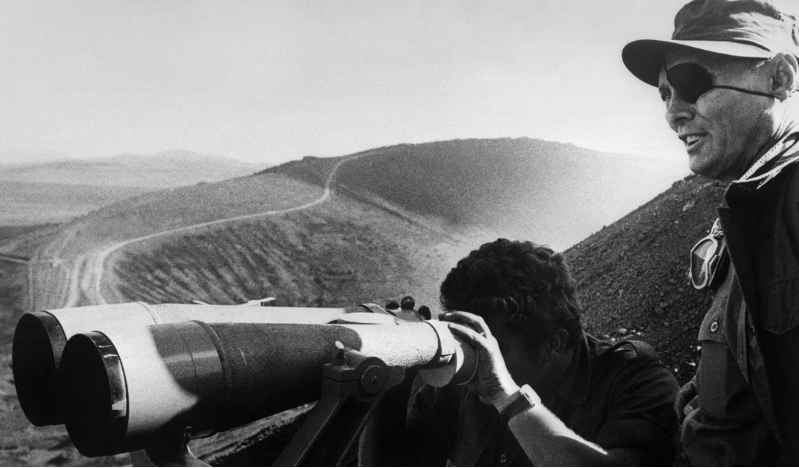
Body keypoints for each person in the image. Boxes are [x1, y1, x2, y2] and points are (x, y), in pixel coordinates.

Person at [621, 0, 799, 464]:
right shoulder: (751, 206)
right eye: (664, 93)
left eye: (690, 83)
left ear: (780, 78)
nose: (674, 112)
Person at [360, 239, 678, 466]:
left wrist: (507, 397)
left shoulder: (637, 382)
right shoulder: (465, 387)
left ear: (555, 342)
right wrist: (393, 382)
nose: (481, 360)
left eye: (494, 347)